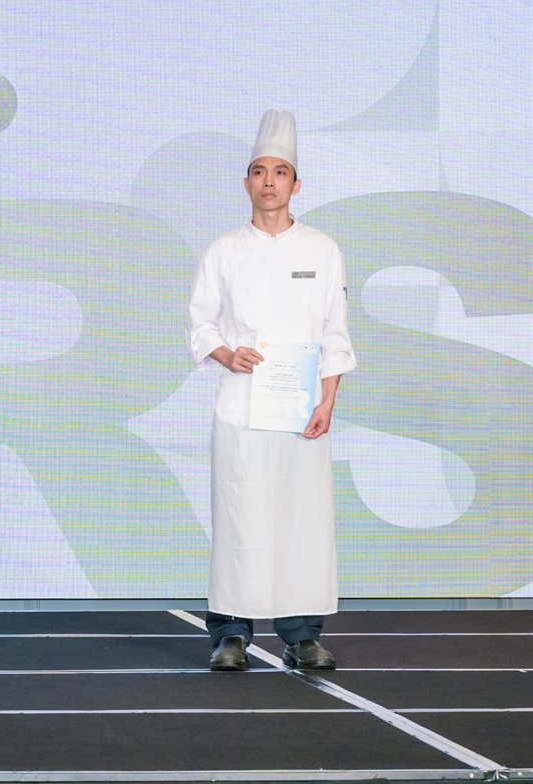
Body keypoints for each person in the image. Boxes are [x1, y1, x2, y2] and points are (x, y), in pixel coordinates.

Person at [188, 109, 355, 671]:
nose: (268, 182)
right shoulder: (223, 251)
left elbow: (335, 334)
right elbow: (200, 324)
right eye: (259, 171)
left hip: (301, 410)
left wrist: (327, 401)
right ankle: (230, 635)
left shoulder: (322, 250)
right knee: (240, 517)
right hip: (241, 408)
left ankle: (301, 635)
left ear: (295, 185)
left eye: (280, 172)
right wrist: (226, 354)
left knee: (302, 520)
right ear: (246, 183)